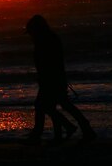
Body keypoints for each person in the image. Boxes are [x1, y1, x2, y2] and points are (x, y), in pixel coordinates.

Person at [23, 14, 96, 145]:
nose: (30, 35)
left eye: (31, 32)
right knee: (58, 105)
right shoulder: (50, 38)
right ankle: (72, 130)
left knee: (43, 106)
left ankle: (48, 132)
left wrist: (45, 78)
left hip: (51, 79)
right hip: (55, 78)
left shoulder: (46, 40)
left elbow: (49, 62)